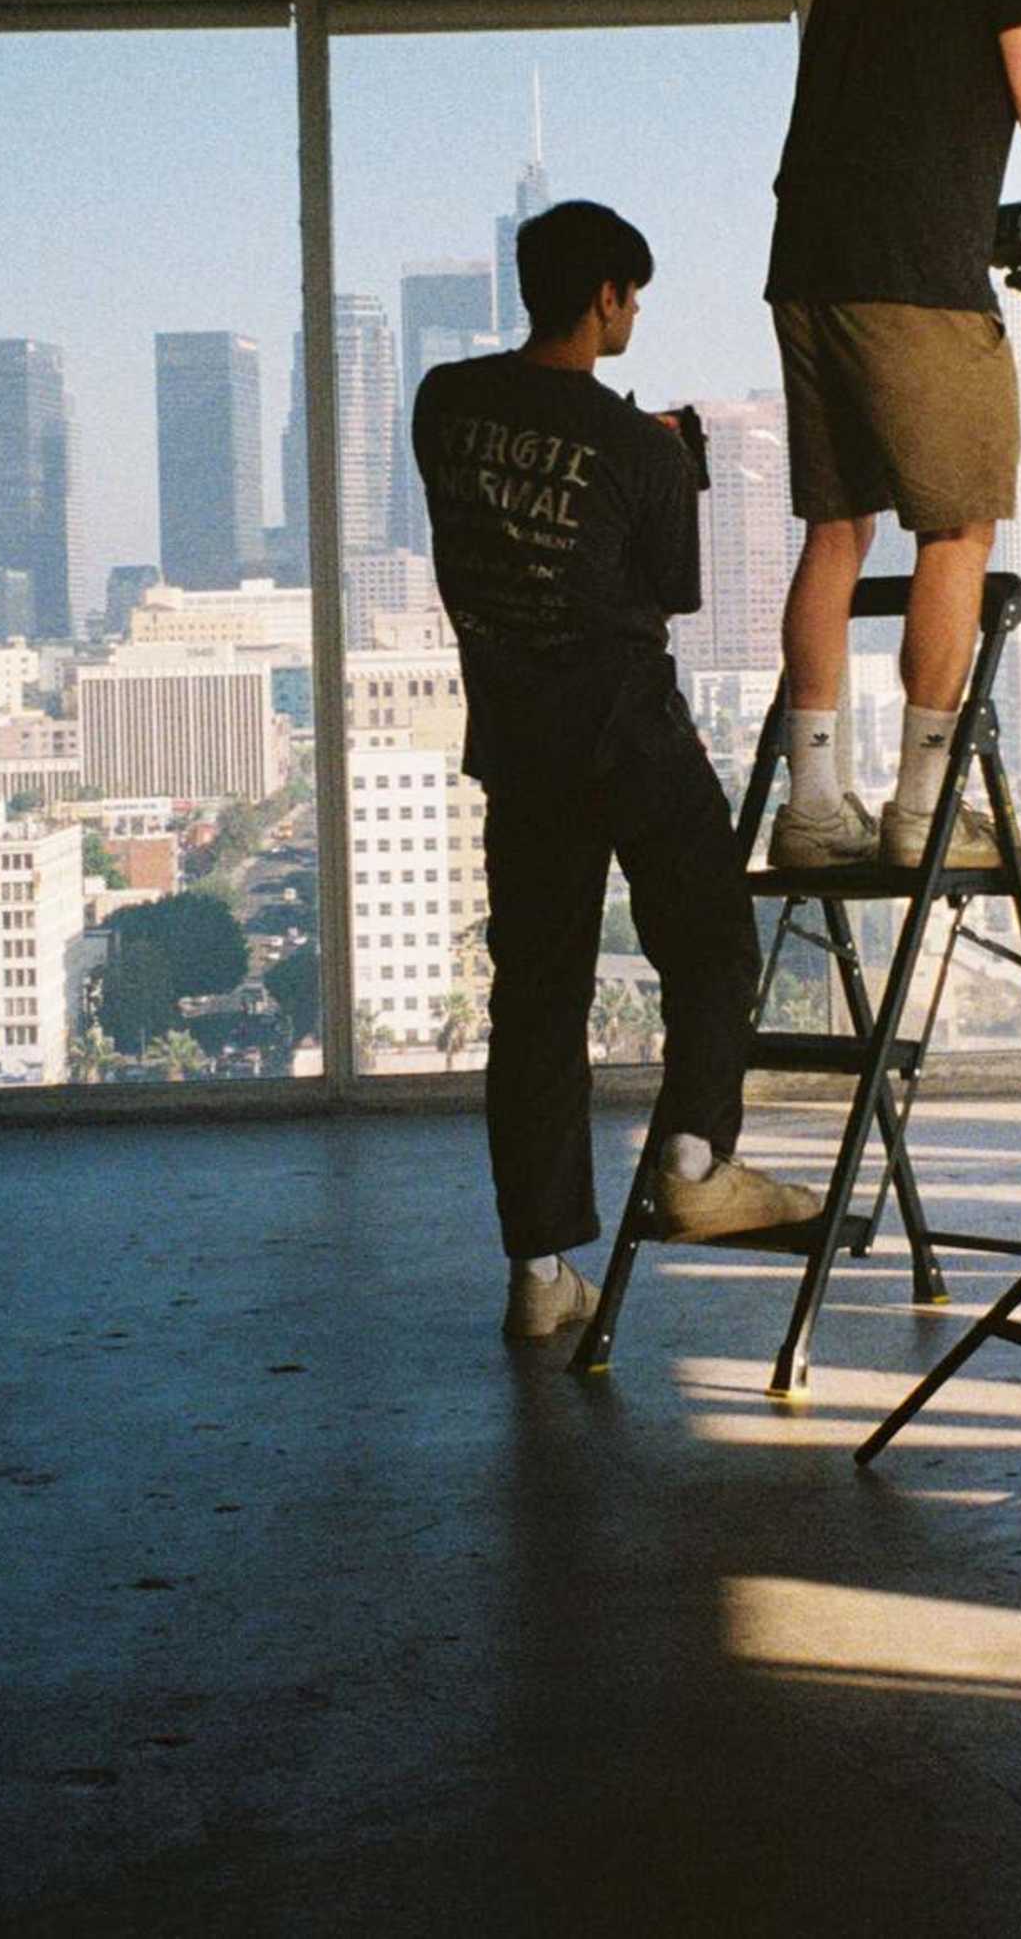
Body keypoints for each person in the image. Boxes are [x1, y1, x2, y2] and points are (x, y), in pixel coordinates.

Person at [412, 199, 824, 1343]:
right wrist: (673, 465)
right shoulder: (639, 447)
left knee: (537, 997)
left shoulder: (444, 401)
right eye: (632, 295)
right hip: (627, 728)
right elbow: (675, 592)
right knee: (708, 936)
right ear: (606, 297)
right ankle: (696, 1159)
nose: (633, 312)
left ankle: (541, 1275)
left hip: (519, 741)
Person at [762, 0, 1021, 872]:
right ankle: (923, 806)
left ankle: (814, 808)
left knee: (836, 528)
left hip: (808, 268)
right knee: (957, 531)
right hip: (915, 274)